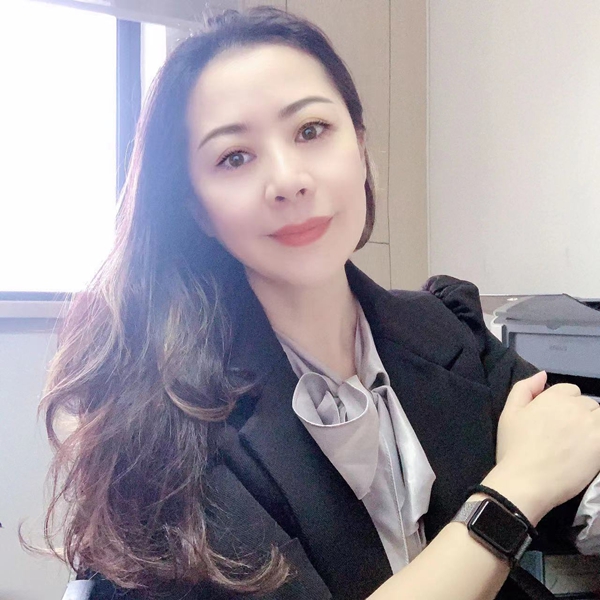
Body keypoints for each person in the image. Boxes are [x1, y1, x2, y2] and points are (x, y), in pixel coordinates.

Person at [43, 7, 600, 600]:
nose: (288, 180)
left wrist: (551, 471)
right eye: (235, 157)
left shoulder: (446, 329)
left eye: (311, 130)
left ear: (359, 145)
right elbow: (537, 470)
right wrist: (513, 494)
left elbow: (574, 460)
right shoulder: (159, 431)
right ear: (197, 209)